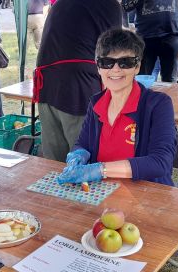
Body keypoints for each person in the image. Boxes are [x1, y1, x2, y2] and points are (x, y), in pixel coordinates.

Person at [57, 28, 177, 186]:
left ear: (137, 66)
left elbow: (160, 162)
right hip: (99, 192)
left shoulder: (158, 105)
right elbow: (83, 143)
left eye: (125, 62)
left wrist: (101, 170)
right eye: (107, 62)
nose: (115, 69)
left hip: (145, 196)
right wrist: (77, 155)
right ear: (98, 67)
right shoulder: (96, 103)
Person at [35, 0, 122, 162]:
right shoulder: (110, 5)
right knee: (85, 161)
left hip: (46, 85)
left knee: (53, 163)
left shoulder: (62, 3)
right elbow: (114, 52)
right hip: (77, 87)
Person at [121, 0, 178, 82]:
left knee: (170, 81)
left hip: (171, 33)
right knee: (142, 79)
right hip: (145, 36)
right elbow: (125, 6)